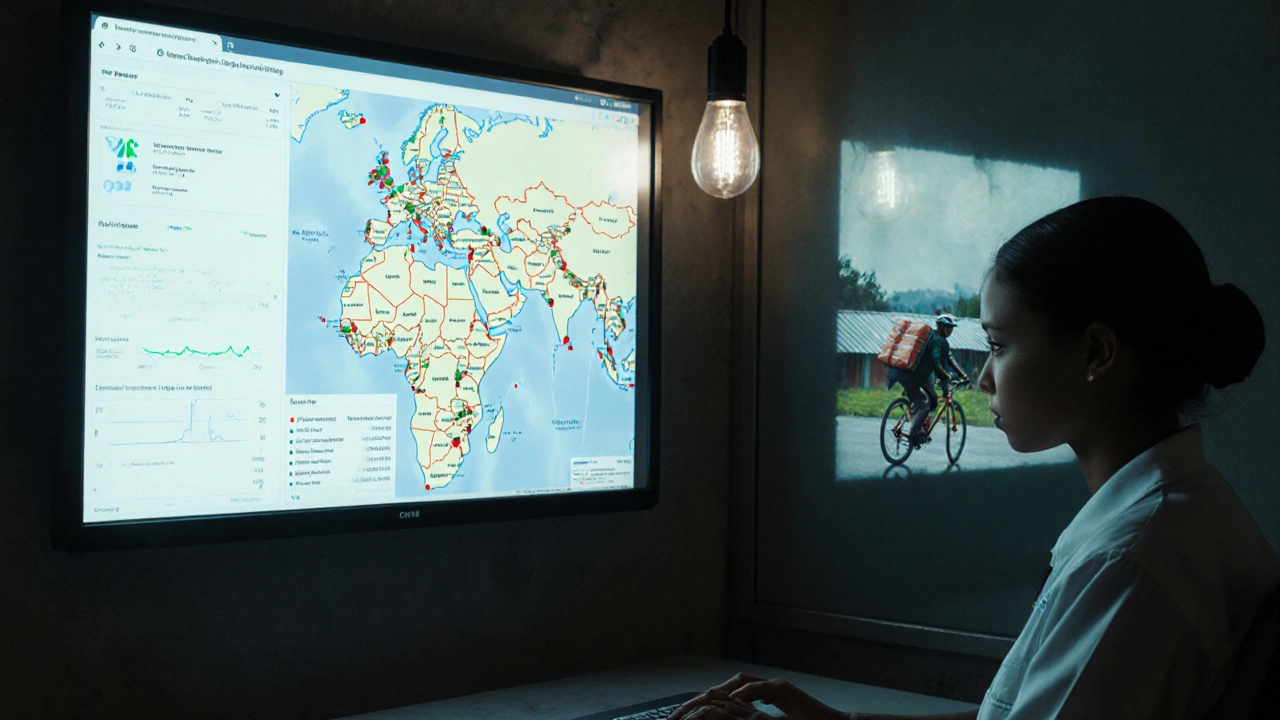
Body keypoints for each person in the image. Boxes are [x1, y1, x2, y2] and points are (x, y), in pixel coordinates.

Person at [666, 197, 1279, 720]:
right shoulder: (1185, 512)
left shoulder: (1131, 560)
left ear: (1095, 352)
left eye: (999, 345)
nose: (986, 378)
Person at [893, 314, 970, 447]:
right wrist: (950, 377)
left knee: (932, 400)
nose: (950, 330)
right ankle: (913, 436)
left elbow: (950, 360)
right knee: (924, 403)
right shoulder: (938, 341)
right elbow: (937, 366)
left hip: (907, 373)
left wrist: (963, 375)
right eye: (948, 327)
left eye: (951, 328)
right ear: (940, 326)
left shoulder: (935, 339)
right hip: (914, 375)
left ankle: (920, 426)